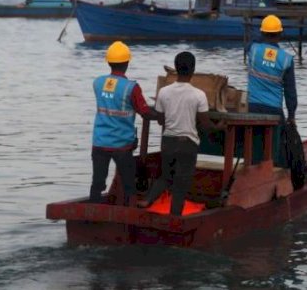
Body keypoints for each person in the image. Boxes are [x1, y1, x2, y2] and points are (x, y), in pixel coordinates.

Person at [142, 51, 218, 215]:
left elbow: (161, 120)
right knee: (181, 184)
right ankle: (175, 217)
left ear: (176, 68)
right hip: (187, 143)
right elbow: (205, 124)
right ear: (193, 70)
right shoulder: (199, 95)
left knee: (165, 177)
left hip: (168, 141)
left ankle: (148, 199)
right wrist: (220, 127)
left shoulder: (163, 92)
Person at [90, 41, 160, 206]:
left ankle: (92, 213)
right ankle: (130, 212)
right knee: (129, 185)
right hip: (122, 145)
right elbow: (145, 112)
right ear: (127, 63)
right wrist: (163, 115)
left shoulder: (98, 83)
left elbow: (110, 97)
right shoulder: (131, 87)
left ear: (108, 61)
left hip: (99, 143)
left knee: (97, 182)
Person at [247, 15, 297, 125]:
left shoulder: (253, 49)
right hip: (274, 111)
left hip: (252, 107)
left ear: (262, 33)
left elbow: (253, 40)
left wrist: (262, 35)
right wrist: (291, 116)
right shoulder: (286, 59)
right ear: (280, 34)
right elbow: (290, 92)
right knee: (280, 140)